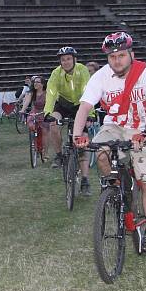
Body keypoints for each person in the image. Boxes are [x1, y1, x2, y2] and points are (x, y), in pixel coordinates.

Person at [73, 32, 146, 254]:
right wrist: (77, 135)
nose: (117, 61)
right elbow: (85, 108)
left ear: (131, 54)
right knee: (100, 152)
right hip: (115, 125)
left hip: (145, 126)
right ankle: (116, 190)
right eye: (112, 56)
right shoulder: (100, 76)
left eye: (121, 55)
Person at [43, 46, 93, 196]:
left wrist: (90, 114)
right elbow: (51, 92)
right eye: (63, 59)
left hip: (81, 105)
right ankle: (59, 155)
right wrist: (47, 112)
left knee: (83, 143)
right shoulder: (56, 73)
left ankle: (85, 180)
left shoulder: (82, 70)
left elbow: (88, 91)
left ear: (74, 59)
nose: (65, 62)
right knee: (53, 124)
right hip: (63, 104)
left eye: (68, 59)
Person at [19, 75, 50, 160]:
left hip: (44, 112)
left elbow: (49, 104)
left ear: (42, 84)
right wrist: (23, 110)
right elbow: (27, 101)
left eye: (37, 82)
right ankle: (34, 142)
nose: (35, 84)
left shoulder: (46, 93)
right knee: (31, 124)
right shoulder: (31, 93)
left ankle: (45, 153)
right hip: (34, 112)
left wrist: (47, 111)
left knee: (45, 133)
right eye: (34, 82)